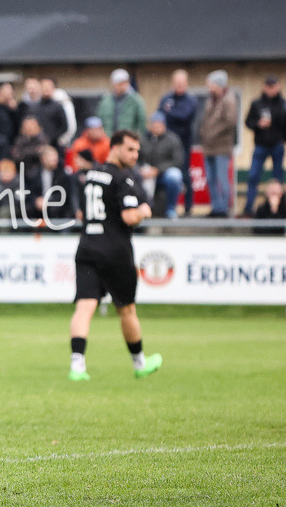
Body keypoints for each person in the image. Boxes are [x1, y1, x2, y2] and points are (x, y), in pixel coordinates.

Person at [69, 129, 162, 382]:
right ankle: (140, 363)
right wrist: (144, 211)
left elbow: (83, 212)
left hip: (87, 247)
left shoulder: (92, 174)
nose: (135, 155)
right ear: (115, 147)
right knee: (127, 309)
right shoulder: (123, 178)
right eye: (130, 149)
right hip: (115, 251)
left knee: (84, 306)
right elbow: (129, 217)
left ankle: (77, 366)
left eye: (137, 151)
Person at [241, 75, 286, 217]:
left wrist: (285, 137)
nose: (270, 89)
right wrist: (258, 124)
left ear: (278, 87)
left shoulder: (284, 104)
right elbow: (248, 122)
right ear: (264, 87)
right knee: (253, 176)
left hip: (277, 145)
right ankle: (248, 209)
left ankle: (280, 210)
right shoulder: (257, 103)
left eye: (273, 86)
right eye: (268, 86)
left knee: (278, 179)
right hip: (260, 145)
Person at [157, 69, 198, 215]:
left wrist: (169, 111)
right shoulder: (166, 99)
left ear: (186, 83)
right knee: (165, 175)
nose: (179, 85)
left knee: (185, 176)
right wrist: (170, 112)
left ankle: (188, 208)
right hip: (165, 145)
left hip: (183, 145)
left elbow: (184, 115)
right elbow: (159, 117)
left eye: (181, 83)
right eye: (176, 82)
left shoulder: (191, 100)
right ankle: (165, 208)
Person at [199, 70, 238, 217]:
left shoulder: (229, 100)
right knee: (210, 179)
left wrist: (212, 133)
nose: (208, 87)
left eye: (210, 84)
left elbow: (230, 122)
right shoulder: (210, 100)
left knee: (222, 179)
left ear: (218, 85)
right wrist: (204, 133)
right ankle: (216, 208)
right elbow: (205, 121)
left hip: (222, 147)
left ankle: (225, 209)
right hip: (208, 147)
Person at [138, 111, 186, 218]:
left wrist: (158, 170)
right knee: (134, 175)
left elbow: (178, 160)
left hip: (163, 174)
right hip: (146, 173)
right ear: (150, 126)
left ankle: (171, 209)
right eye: (154, 125)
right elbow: (136, 157)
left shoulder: (172, 139)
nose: (157, 127)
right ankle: (143, 209)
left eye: (159, 125)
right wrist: (140, 169)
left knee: (174, 175)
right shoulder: (143, 139)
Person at [96, 68, 146, 135]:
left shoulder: (136, 100)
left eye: (123, 83)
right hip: (108, 137)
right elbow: (99, 119)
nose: (121, 86)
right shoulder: (106, 101)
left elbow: (141, 121)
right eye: (118, 83)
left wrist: (135, 136)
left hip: (127, 137)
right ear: (113, 83)